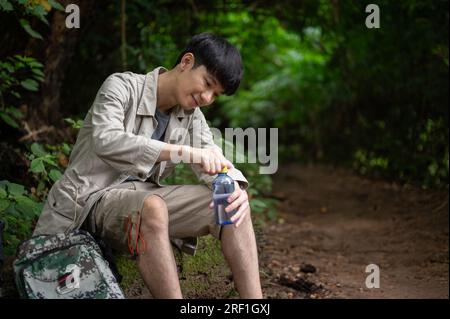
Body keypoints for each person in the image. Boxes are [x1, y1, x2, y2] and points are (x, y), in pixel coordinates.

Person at [33, 33, 263, 299]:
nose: (208, 97)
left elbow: (210, 153)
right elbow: (106, 140)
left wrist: (233, 183)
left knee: (231, 201)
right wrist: (182, 152)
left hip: (141, 200)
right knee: (152, 205)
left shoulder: (191, 116)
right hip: (89, 201)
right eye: (207, 83)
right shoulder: (121, 86)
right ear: (187, 62)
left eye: (216, 94)